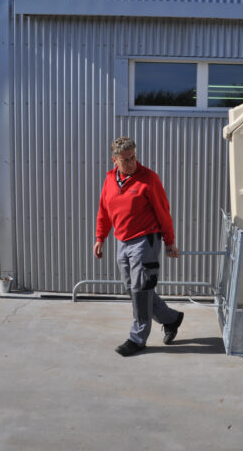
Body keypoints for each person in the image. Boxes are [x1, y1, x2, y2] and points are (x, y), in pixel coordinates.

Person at [94, 136, 184, 356]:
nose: (131, 162)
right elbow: (104, 211)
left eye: (133, 157)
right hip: (122, 241)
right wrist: (100, 237)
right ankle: (171, 318)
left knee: (141, 290)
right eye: (125, 159)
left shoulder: (149, 179)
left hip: (146, 240)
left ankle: (137, 338)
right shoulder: (109, 180)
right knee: (132, 290)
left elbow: (163, 211)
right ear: (114, 160)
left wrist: (169, 241)